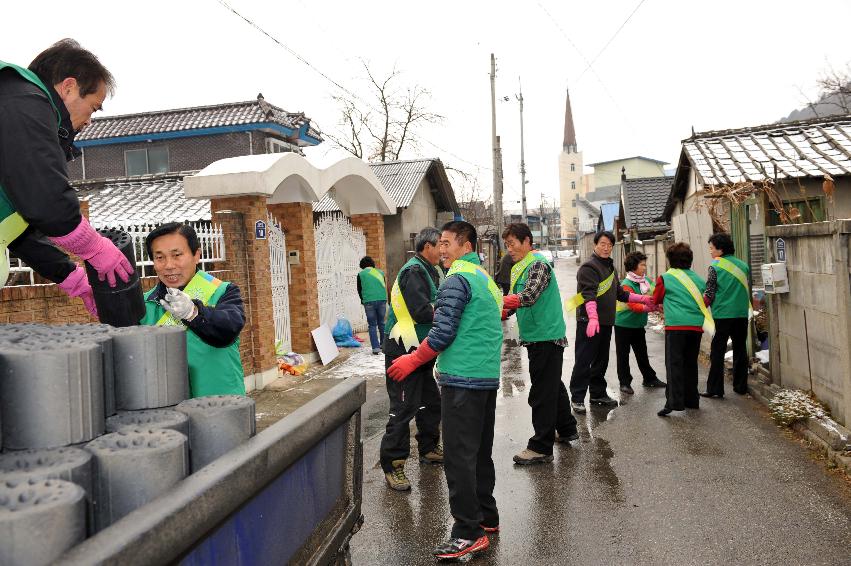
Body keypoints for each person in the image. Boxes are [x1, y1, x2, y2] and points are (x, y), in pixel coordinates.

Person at [387, 221, 502, 561]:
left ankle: (468, 532)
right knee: (478, 451)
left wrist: (412, 360)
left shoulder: (457, 279)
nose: (442, 249)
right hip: (485, 376)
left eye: (449, 242)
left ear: (466, 246)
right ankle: (485, 515)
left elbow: (442, 332)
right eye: (440, 244)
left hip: (462, 379)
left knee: (458, 457)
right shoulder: (484, 278)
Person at [0, 39, 132, 317]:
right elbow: (46, 201)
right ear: (69, 87)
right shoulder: (22, 97)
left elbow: (19, 230)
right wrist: (95, 248)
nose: (89, 121)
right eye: (93, 108)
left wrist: (74, 279)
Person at [501, 223, 578, 466]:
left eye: (512, 243)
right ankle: (566, 429)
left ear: (527, 242)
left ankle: (541, 446)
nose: (509, 249)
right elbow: (520, 301)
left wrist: (498, 301)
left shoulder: (537, 265)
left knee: (542, 392)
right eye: (506, 245)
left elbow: (529, 296)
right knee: (552, 384)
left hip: (545, 335)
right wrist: (505, 309)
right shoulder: (521, 267)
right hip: (540, 334)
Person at [140, 223, 246, 397]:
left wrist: (194, 313)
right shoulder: (145, 304)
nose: (169, 265)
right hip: (167, 407)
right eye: (160, 258)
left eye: (177, 255)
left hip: (221, 405)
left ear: (196, 255)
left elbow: (229, 328)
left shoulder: (222, 291)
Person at [380, 227, 443, 491]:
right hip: (403, 351)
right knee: (404, 408)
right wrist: (450, 309)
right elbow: (421, 311)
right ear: (427, 247)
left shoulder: (428, 269)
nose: (443, 250)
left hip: (419, 350)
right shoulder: (414, 271)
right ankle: (393, 465)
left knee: (430, 401)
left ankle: (428, 448)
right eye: (441, 244)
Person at [567, 231, 653, 413]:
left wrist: (643, 299)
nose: (606, 248)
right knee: (584, 359)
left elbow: (620, 294)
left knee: (601, 360)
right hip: (588, 322)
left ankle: (597, 394)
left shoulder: (610, 268)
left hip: (605, 322)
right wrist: (593, 318)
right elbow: (588, 294)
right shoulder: (589, 267)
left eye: (609, 245)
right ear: (595, 245)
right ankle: (577, 397)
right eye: (603, 244)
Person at [651, 242, 712, 417]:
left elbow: (656, 298)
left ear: (670, 260)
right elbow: (705, 301)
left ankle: (674, 402)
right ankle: (692, 400)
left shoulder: (666, 278)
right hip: (695, 327)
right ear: (690, 261)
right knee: (690, 363)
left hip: (676, 326)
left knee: (674, 364)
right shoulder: (699, 280)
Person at [703, 233, 751, 397]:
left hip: (723, 314)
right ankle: (741, 386)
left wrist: (700, 307)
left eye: (712, 248)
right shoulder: (744, 266)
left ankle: (715, 389)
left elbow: (709, 293)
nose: (710, 251)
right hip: (741, 314)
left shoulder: (715, 267)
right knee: (740, 348)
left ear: (720, 249)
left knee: (717, 350)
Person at [614, 251, 666, 394]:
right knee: (623, 355)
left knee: (642, 353)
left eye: (645, 264)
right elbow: (633, 306)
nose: (645, 267)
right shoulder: (626, 284)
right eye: (642, 265)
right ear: (633, 266)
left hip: (637, 325)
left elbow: (656, 295)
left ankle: (649, 378)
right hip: (623, 325)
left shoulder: (646, 282)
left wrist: (660, 305)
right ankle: (624, 383)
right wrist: (651, 308)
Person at [357, 256, 387, 354]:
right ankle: (384, 345)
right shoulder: (380, 273)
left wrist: (363, 300)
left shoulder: (361, 274)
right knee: (382, 323)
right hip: (382, 299)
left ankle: (375, 348)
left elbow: (359, 289)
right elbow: (384, 285)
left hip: (369, 301)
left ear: (362, 265)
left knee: (372, 325)